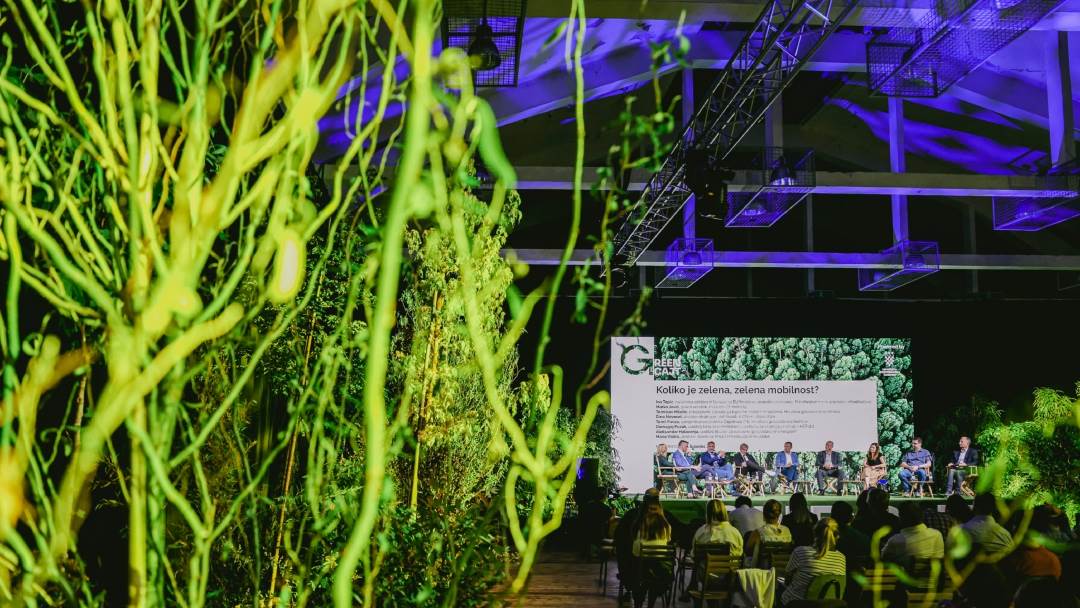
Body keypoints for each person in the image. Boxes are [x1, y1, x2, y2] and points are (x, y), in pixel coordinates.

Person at [782, 518, 846, 606]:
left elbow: (787, 580)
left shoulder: (800, 551)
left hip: (798, 604)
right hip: (829, 605)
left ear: (814, 533)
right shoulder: (842, 558)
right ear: (837, 536)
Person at [632, 501, 673, 608]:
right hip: (660, 571)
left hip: (641, 570)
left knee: (640, 573)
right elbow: (667, 541)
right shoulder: (667, 527)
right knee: (653, 577)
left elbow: (635, 552)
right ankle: (651, 604)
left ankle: (638, 604)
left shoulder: (639, 526)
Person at [880, 502, 945, 565]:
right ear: (922, 516)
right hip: (932, 572)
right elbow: (939, 559)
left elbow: (883, 557)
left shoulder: (895, 540)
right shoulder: (937, 535)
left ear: (901, 519)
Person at [745, 499, 793, 568]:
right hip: (783, 568)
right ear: (779, 514)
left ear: (764, 515)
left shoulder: (758, 533)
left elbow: (748, 551)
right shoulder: (786, 530)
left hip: (764, 570)